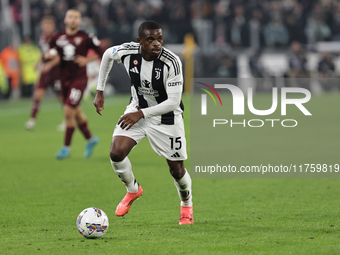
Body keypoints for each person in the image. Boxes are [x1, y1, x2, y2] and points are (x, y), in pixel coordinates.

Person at [93, 21, 193, 225]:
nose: (157, 43)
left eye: (159, 39)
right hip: (137, 108)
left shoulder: (171, 62)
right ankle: (132, 190)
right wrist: (99, 90)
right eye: (150, 39)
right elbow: (106, 55)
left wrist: (141, 114)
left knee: (177, 170)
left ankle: (186, 205)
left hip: (167, 117)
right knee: (116, 152)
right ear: (140, 41)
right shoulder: (128, 52)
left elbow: (173, 102)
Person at [46, 9, 103, 159]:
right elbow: (50, 51)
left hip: (79, 79)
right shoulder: (58, 37)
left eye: (76, 17)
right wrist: (49, 55)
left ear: (79, 21)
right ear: (65, 19)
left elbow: (102, 51)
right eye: (70, 17)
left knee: (67, 111)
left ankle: (66, 147)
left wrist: (87, 60)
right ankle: (91, 139)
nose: (73, 19)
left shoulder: (86, 37)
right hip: (64, 79)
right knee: (76, 112)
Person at [25, 16, 63, 130]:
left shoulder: (57, 39)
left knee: (61, 97)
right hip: (46, 72)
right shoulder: (42, 38)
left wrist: (49, 65)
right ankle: (32, 120)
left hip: (57, 72)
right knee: (38, 94)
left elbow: (60, 57)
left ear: (53, 26)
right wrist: (39, 63)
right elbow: (43, 53)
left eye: (49, 25)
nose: (46, 27)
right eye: (44, 25)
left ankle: (67, 120)